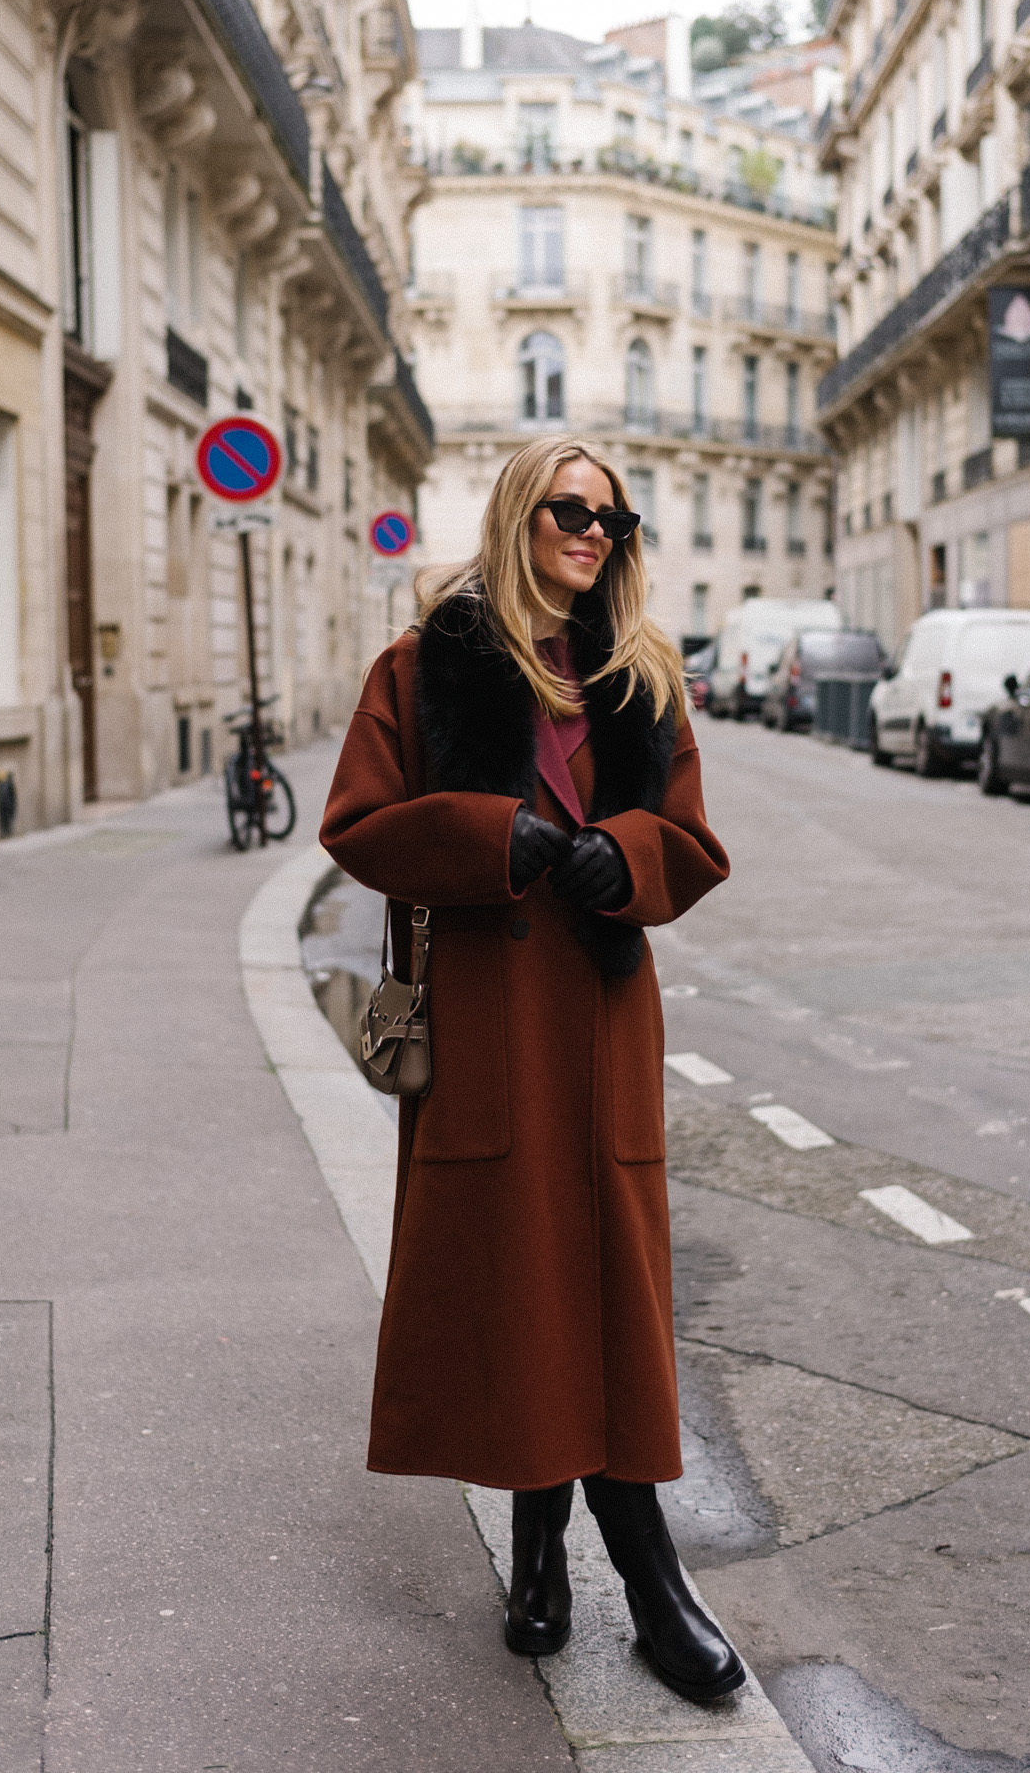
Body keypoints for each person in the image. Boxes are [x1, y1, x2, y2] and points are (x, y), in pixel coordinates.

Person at [319, 435, 743, 1703]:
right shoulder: (424, 667)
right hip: (489, 1033)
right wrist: (494, 830)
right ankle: (576, 1561)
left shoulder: (640, 677)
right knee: (522, 1293)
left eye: (613, 520)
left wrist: (631, 853)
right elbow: (355, 827)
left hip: (603, 1036)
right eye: (570, 510)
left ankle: (595, 1564)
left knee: (601, 1293)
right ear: (520, 516)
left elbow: (693, 838)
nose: (592, 533)